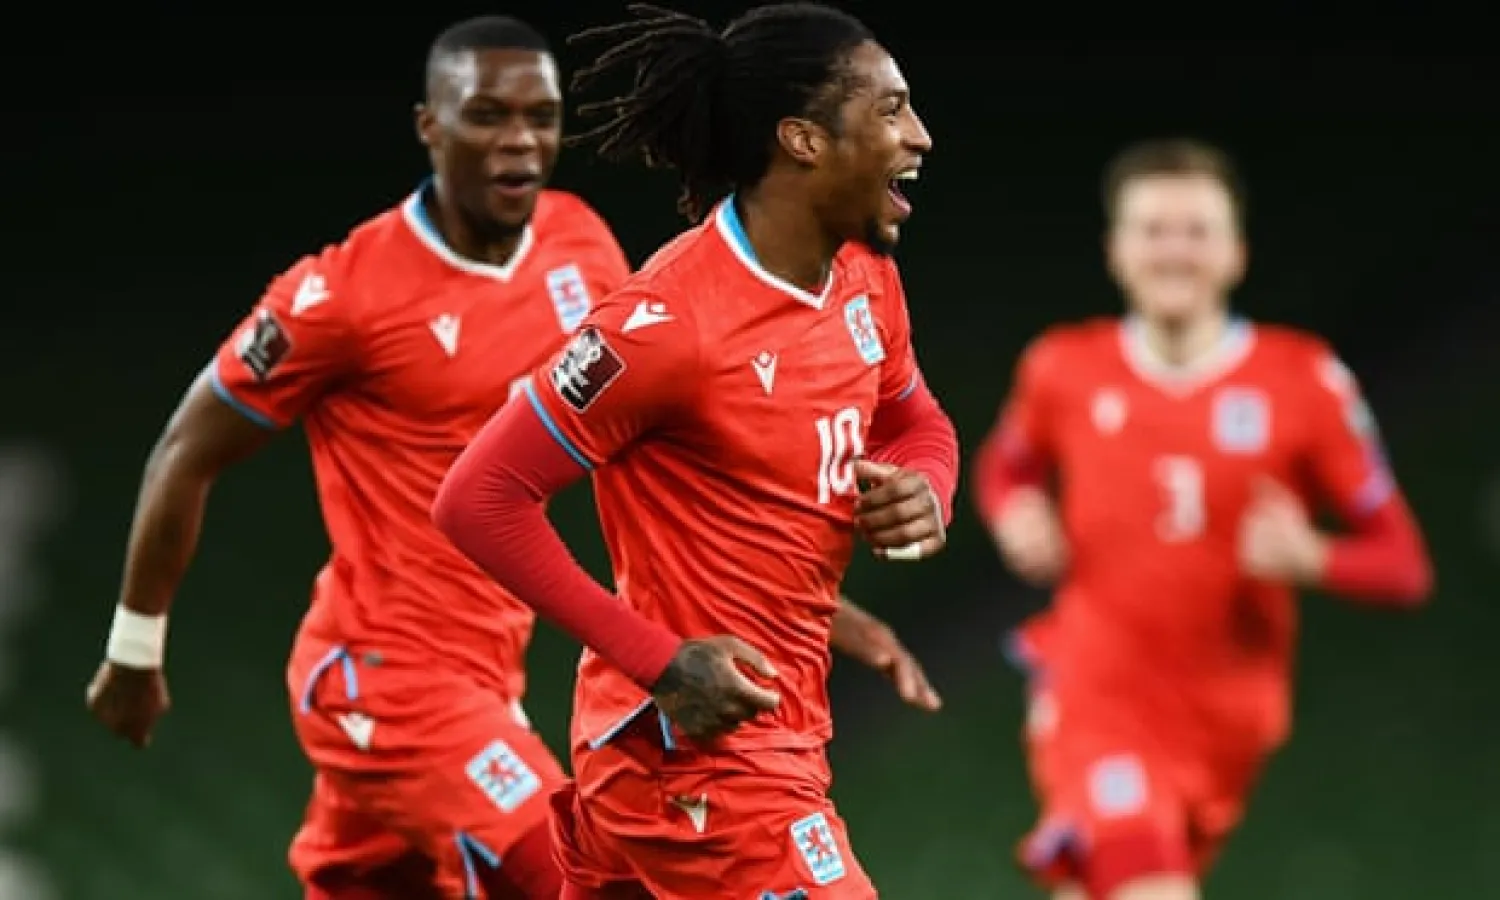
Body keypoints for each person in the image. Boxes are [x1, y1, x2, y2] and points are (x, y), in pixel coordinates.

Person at [85, 16, 623, 899]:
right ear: (429, 126)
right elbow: (185, 449)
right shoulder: (343, 294)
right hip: (386, 678)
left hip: (487, 674)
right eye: (487, 116)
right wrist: (135, 650)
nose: (520, 142)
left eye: (542, 117)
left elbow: (654, 411)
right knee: (575, 876)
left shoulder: (580, 247)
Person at [431, 4, 954, 899]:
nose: (920, 135)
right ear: (803, 140)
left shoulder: (866, 279)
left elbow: (917, 423)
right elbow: (477, 498)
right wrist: (659, 661)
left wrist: (926, 487)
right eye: (891, 109)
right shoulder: (665, 326)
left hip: (745, 737)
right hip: (698, 760)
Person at [972, 138, 1434, 900]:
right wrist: (1013, 511)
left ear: (1237, 253)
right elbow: (1007, 467)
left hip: (1228, 728)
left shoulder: (1304, 381)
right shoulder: (1064, 368)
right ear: (1116, 251)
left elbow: (1403, 566)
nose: (1174, 251)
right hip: (1100, 701)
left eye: (1197, 231)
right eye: (1153, 230)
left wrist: (1311, 557)